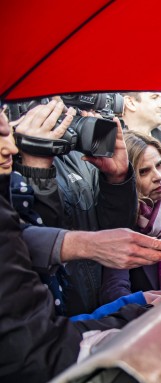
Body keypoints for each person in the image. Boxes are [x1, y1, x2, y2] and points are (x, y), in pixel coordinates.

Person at [1, 104, 161, 383]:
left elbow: (112, 232)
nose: (9, 144)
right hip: (48, 352)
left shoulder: (85, 154)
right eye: (3, 133)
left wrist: (119, 179)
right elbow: (26, 249)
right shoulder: (23, 160)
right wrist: (35, 168)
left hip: (77, 321)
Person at [10, 99, 138, 315]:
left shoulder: (78, 153)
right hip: (45, 317)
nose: (63, 107)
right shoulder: (10, 156)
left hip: (94, 311)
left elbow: (116, 230)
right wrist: (37, 170)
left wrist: (117, 179)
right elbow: (40, 246)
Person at [99, 131, 161, 303]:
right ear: (127, 177)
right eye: (144, 171)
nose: (158, 176)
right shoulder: (120, 218)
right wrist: (143, 305)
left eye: (160, 164)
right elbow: (114, 287)